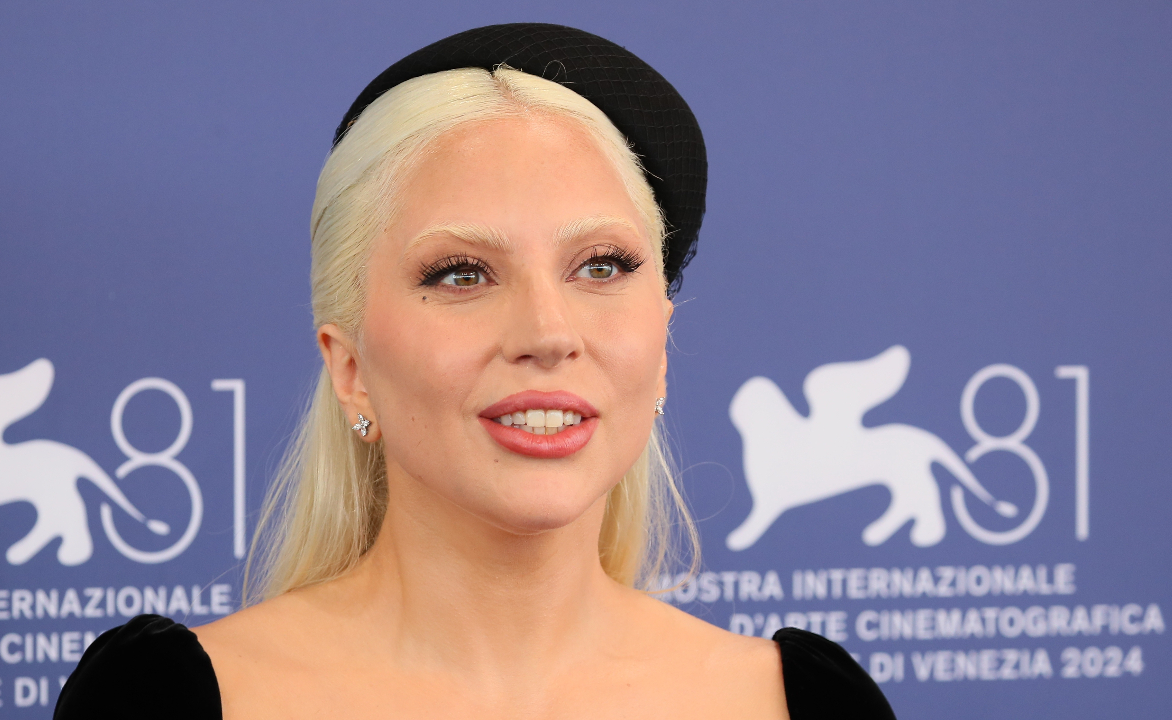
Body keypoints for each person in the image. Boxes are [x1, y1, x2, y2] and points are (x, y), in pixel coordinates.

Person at [54, 23, 895, 720]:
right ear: (350, 368)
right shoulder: (164, 702)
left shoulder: (803, 704)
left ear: (661, 347)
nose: (548, 333)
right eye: (461, 274)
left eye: (600, 266)